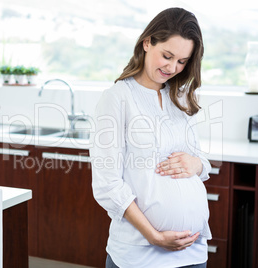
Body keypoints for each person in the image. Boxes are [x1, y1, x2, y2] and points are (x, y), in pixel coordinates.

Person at [89, 7, 212, 268]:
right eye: (167, 56)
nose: (172, 67)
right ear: (147, 42)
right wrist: (154, 236)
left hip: (193, 253)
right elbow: (107, 184)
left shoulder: (180, 98)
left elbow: (200, 161)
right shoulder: (117, 98)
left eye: (182, 61)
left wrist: (197, 164)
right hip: (140, 255)